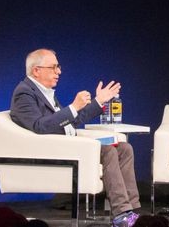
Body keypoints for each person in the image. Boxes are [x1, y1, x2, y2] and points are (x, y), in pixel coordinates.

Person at [10, 49, 141, 227]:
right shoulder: (24, 93)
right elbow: (40, 127)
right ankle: (122, 215)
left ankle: (132, 211)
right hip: (52, 151)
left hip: (67, 145)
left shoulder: (45, 92)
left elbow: (71, 121)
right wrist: (73, 107)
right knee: (108, 151)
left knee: (124, 148)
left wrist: (98, 101)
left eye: (58, 67)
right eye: (53, 67)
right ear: (36, 70)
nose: (59, 71)